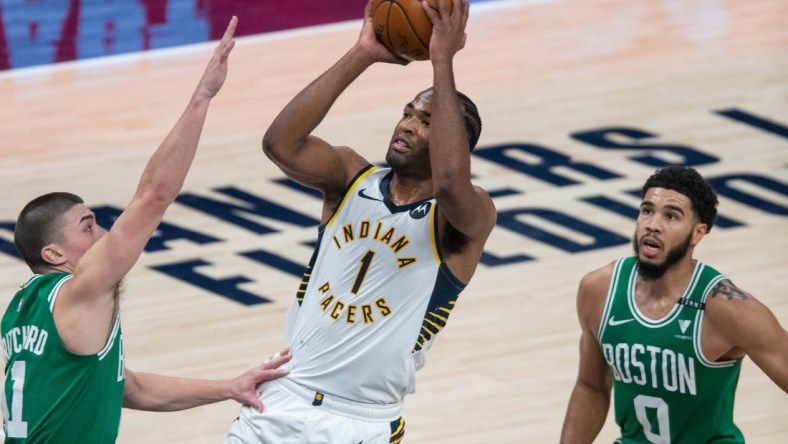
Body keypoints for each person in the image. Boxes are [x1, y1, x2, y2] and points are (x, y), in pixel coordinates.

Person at [1, 17, 291, 443]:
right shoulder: (80, 291)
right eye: (88, 227)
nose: (102, 236)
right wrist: (203, 96)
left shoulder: (23, 309)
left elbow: (128, 387)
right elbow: (154, 195)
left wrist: (228, 387)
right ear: (54, 254)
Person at [224, 0, 496, 442]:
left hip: (361, 420)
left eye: (426, 121)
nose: (406, 125)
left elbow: (449, 183)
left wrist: (441, 60)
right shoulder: (351, 177)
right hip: (282, 397)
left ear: (455, 143)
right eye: (407, 112)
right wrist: (363, 53)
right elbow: (280, 143)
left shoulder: (466, 216)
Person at [559, 166, 788, 443]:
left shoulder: (727, 307)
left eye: (671, 216)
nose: (653, 224)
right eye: (647, 210)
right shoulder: (599, 289)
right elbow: (591, 387)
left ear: (697, 233)